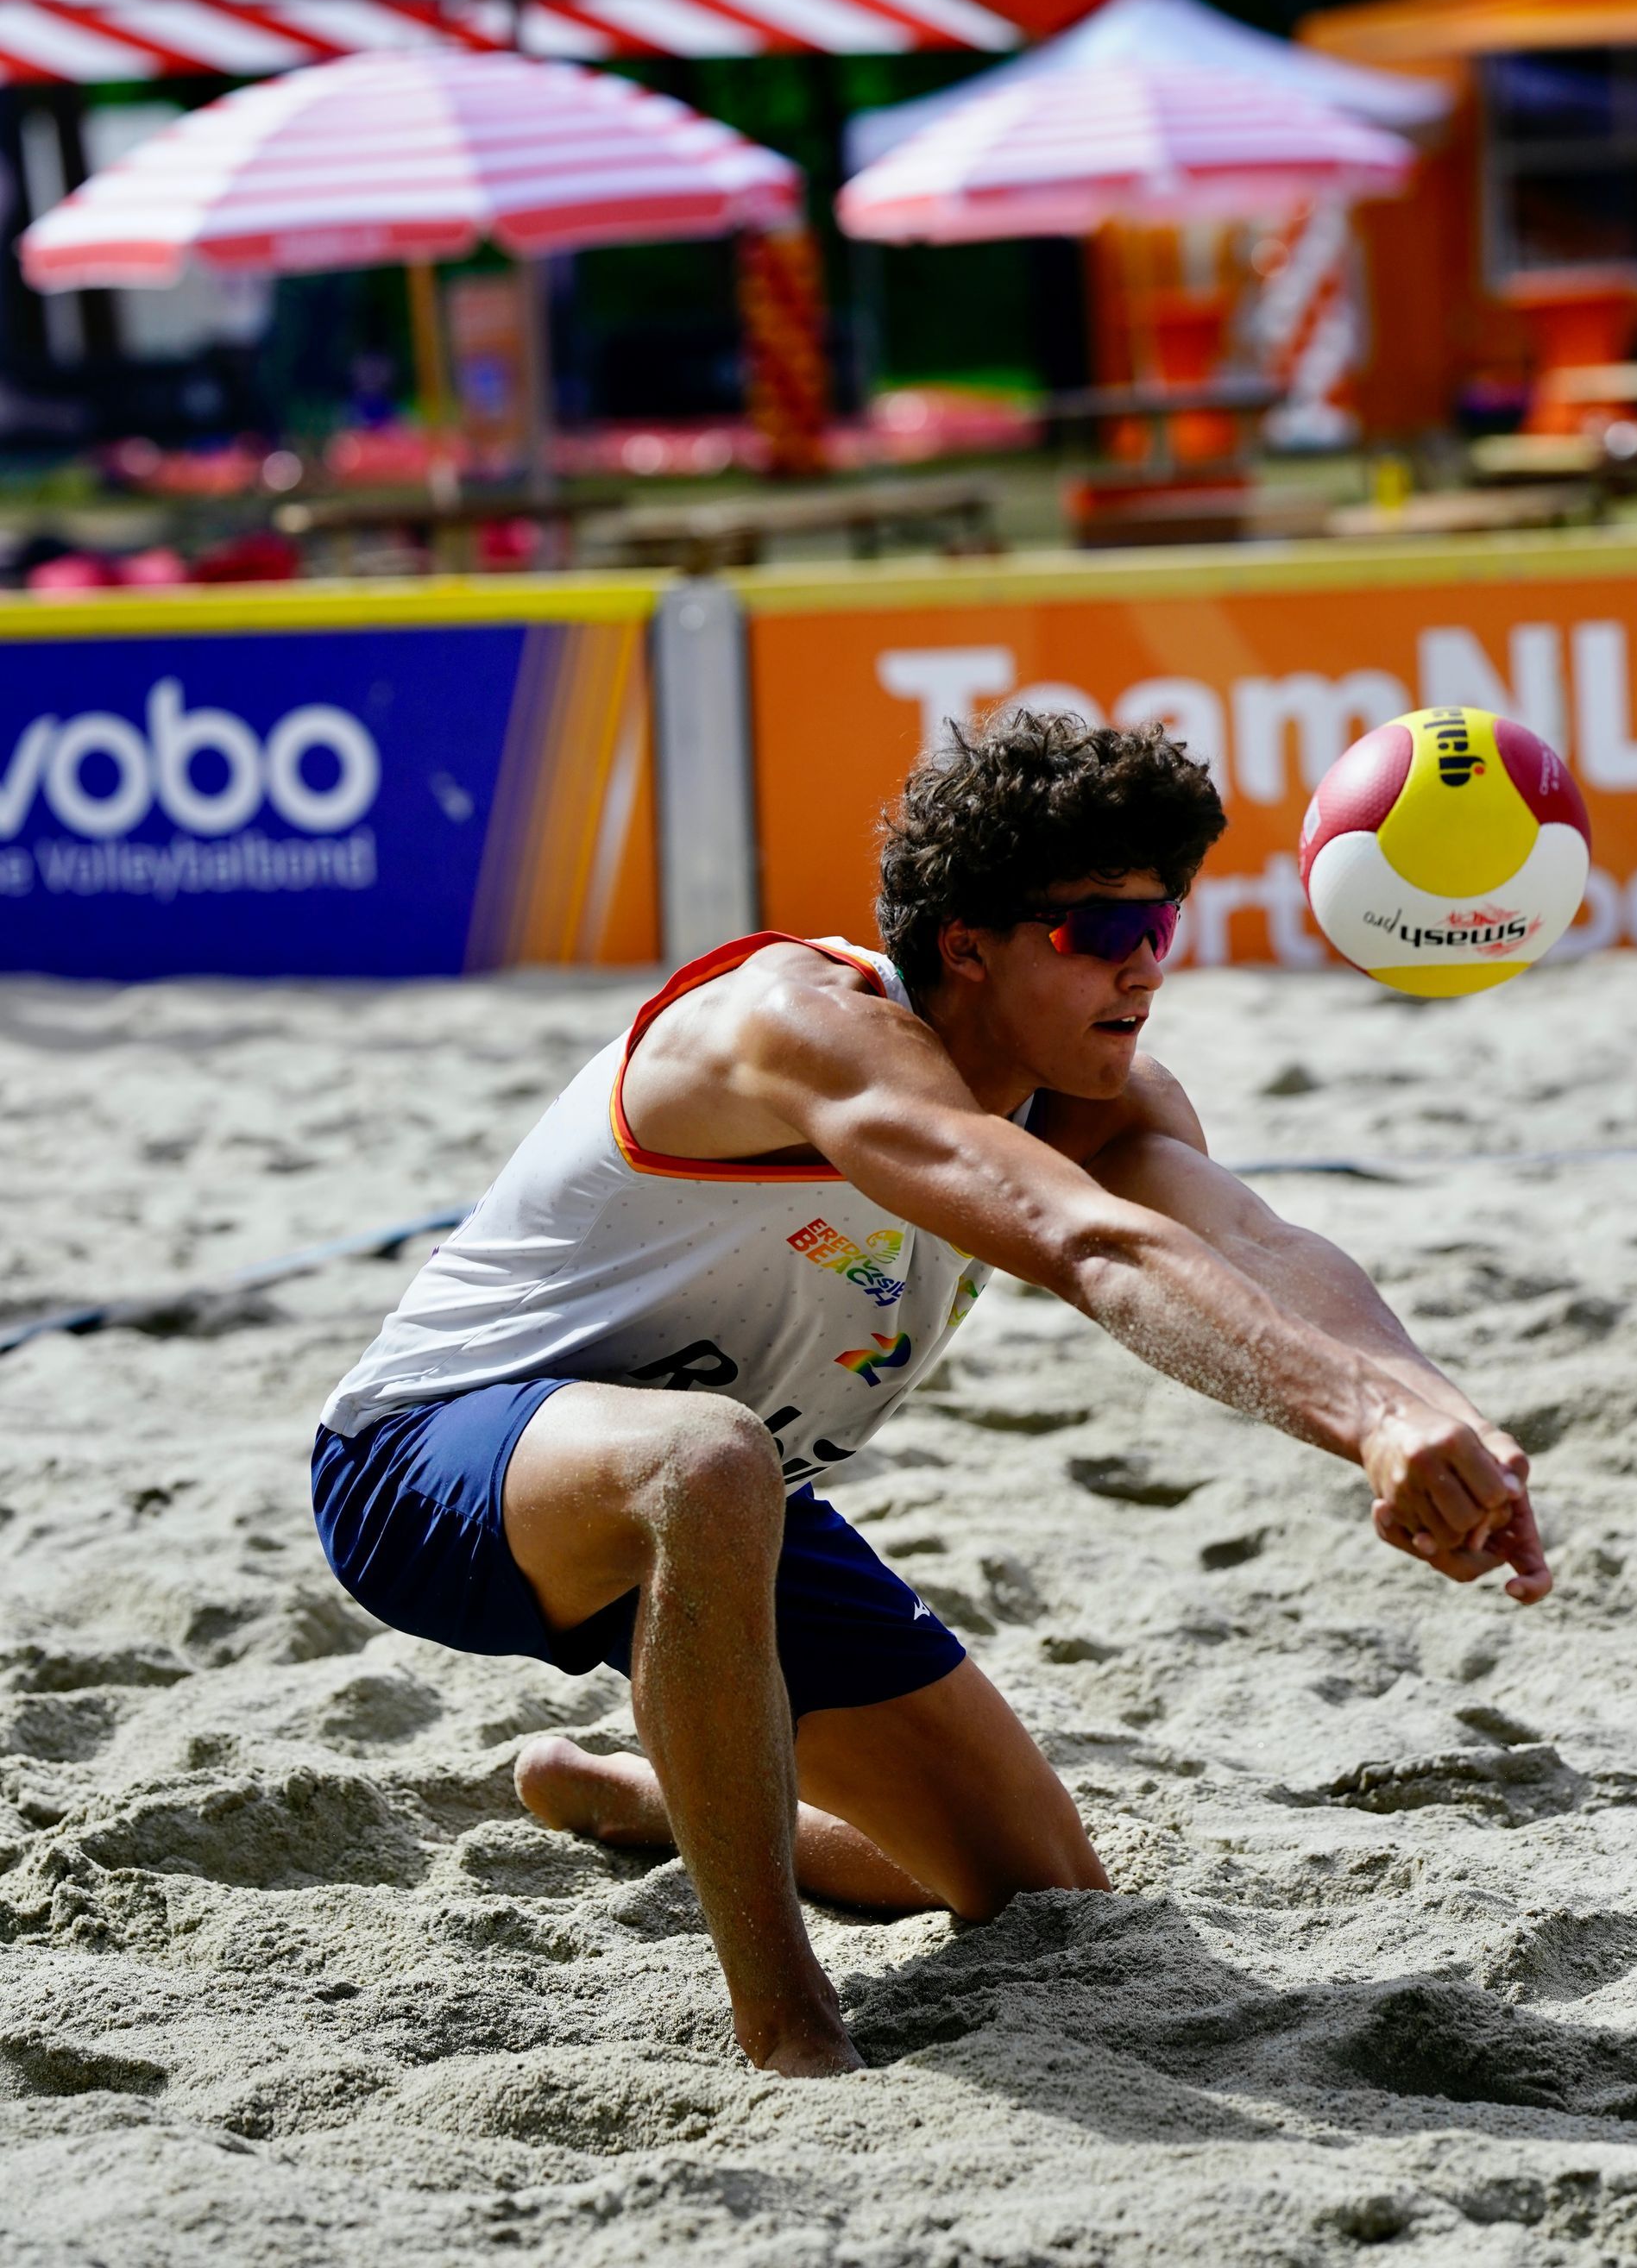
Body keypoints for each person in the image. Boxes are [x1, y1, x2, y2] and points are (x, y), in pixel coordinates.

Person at [312, 711, 1551, 2081]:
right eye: (1100, 928)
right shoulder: (800, 1029)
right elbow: (1092, 1249)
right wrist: (1362, 1422)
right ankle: (789, 2032)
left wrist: (1428, 1404)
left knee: (1048, 1901)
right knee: (708, 1461)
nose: (1146, 963)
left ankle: (658, 1796)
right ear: (966, 942)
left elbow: (1253, 1249)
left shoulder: (1094, 1092)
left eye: (1166, 920)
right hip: (430, 1467)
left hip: (718, 1517)